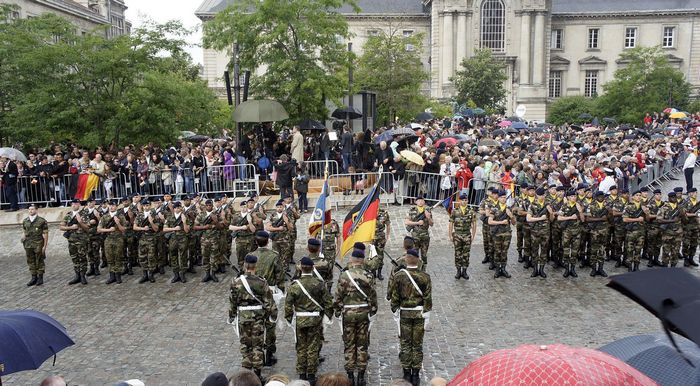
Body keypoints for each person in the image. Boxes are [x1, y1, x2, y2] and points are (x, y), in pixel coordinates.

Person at [285, 257, 333, 384]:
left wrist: (289, 319)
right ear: (313, 268)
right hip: (315, 319)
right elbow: (328, 302)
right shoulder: (319, 283)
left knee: (301, 347)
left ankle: (302, 373)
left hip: (300, 319)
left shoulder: (295, 285)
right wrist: (328, 316)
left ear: (300, 268)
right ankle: (311, 375)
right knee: (313, 347)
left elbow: (288, 304)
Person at [229, 255, 276, 381]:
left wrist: (231, 316)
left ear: (245, 265)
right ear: (255, 266)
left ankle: (245, 372)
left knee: (245, 344)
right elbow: (269, 302)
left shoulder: (236, 282)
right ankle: (257, 374)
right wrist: (273, 316)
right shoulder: (261, 282)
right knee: (257, 345)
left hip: (243, 318)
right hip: (258, 318)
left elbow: (233, 302)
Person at [333, 250, 377, 386]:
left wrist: (338, 310)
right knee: (362, 345)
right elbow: (373, 297)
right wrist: (372, 310)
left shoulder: (344, 276)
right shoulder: (368, 276)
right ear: (362, 260)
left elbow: (338, 297)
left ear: (352, 259)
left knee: (349, 344)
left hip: (348, 313)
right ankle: (361, 376)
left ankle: (350, 375)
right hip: (363, 313)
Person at [389, 249, 431, 386]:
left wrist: (395, 310)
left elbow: (394, 297)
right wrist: (426, 313)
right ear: (418, 260)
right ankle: (416, 375)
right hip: (419, 314)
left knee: (406, 344)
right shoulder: (425, 276)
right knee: (417, 345)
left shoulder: (399, 276)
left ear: (406, 259)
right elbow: (428, 299)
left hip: (405, 313)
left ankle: (406, 372)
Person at [251, 230, 284, 366]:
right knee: (270, 323)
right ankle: (269, 353)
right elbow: (279, 275)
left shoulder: (250, 256)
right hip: (270, 291)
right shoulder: (274, 256)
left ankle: (256, 352)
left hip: (254, 291)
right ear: (268, 241)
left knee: (256, 323)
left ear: (256, 242)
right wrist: (282, 290)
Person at [60, 199, 91, 285]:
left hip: (81, 240)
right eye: (72, 204)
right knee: (74, 257)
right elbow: (61, 226)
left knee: (82, 257)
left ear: (79, 205)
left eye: (76, 204)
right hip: (71, 240)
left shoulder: (84, 214)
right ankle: (77, 275)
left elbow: (87, 228)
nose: (74, 205)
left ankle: (82, 275)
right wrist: (70, 228)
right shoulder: (69, 214)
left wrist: (80, 222)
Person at [97, 199, 127, 284]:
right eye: (110, 205)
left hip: (118, 239)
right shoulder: (104, 217)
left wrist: (118, 223)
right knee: (109, 258)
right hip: (108, 240)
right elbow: (98, 229)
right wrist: (108, 230)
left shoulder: (121, 216)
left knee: (118, 257)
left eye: (113, 205)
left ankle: (118, 276)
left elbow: (124, 230)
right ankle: (111, 276)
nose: (111, 207)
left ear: (116, 207)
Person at [448, 193, 476, 279]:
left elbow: (474, 224)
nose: (464, 202)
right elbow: (451, 223)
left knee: (466, 254)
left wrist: (473, 236)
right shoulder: (455, 211)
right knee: (457, 253)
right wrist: (450, 235)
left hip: (467, 235)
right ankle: (458, 271)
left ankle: (464, 271)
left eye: (465, 200)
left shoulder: (471, 211)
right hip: (457, 235)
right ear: (459, 201)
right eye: (462, 200)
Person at [488, 190, 514, 279]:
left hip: (506, 233)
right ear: (498, 198)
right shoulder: (494, 208)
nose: (503, 199)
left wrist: (511, 216)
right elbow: (490, 221)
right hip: (497, 233)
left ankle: (503, 269)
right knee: (497, 251)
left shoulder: (509, 208)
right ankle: (497, 270)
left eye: (504, 197)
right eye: (502, 197)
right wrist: (501, 222)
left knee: (504, 252)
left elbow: (514, 223)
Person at [584, 191, 611, 277]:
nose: (601, 197)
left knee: (602, 250)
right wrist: (601, 219)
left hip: (604, 231)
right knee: (594, 250)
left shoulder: (607, 205)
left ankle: (601, 268)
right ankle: (593, 268)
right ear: (596, 197)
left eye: (602, 196)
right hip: (594, 231)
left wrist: (609, 213)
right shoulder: (591, 205)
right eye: (599, 196)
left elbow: (611, 216)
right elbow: (587, 219)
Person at [132, 199, 159, 283]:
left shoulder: (154, 215)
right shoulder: (139, 215)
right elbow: (134, 227)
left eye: (147, 205)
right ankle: (144, 275)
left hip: (151, 239)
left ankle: (150, 274)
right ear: (142, 207)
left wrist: (151, 222)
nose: (146, 207)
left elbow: (156, 229)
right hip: (142, 239)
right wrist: (143, 228)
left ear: (150, 206)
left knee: (151, 257)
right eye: (144, 206)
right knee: (142, 257)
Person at [22, 204, 48, 286]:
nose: (30, 211)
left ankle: (40, 277)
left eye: (32, 209)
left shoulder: (41, 221)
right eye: (29, 209)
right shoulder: (25, 220)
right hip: (28, 244)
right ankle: (33, 277)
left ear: (36, 210)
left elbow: (45, 234)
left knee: (39, 260)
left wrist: (44, 246)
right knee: (30, 260)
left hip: (38, 243)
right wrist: (23, 237)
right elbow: (24, 231)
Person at [194, 199, 221, 283]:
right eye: (207, 205)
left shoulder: (216, 214)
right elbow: (195, 227)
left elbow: (221, 226)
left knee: (214, 257)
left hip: (214, 239)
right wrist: (204, 227)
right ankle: (207, 274)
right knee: (205, 257)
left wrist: (216, 221)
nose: (209, 207)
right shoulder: (201, 215)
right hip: (204, 240)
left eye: (210, 205)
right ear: (205, 206)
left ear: (212, 206)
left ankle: (213, 273)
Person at [404, 195, 433, 270]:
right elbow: (406, 222)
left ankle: (423, 270)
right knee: (414, 254)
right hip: (415, 236)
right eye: (418, 200)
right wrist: (417, 223)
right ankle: (415, 269)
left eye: (421, 200)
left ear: (424, 201)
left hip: (425, 236)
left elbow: (432, 224)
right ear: (416, 202)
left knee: (424, 255)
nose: (420, 201)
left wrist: (429, 218)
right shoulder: (412, 210)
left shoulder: (428, 210)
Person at [163, 201, 190, 283]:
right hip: (173, 239)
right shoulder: (169, 217)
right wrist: (174, 229)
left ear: (181, 208)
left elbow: (187, 230)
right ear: (173, 209)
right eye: (175, 208)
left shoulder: (185, 216)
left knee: (183, 256)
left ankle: (182, 274)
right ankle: (176, 274)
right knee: (173, 256)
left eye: (179, 207)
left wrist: (184, 222)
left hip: (182, 239)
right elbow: (164, 229)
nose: (177, 209)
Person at [558, 191, 582, 278]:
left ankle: (572, 268)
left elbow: (583, 220)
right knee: (566, 250)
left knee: (575, 251)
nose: (574, 198)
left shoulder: (579, 206)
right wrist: (570, 217)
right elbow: (559, 217)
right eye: (572, 196)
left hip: (577, 232)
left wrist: (581, 211)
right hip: (567, 232)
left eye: (575, 196)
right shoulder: (564, 206)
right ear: (568, 197)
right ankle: (567, 268)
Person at [527, 188, 550, 278]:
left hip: (545, 231)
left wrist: (550, 211)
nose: (541, 197)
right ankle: (535, 269)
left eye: (543, 195)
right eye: (540, 195)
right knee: (534, 250)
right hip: (535, 231)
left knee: (544, 250)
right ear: (537, 195)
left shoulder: (548, 204)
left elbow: (551, 219)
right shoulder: (532, 205)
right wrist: (540, 218)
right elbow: (528, 219)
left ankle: (542, 269)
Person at [657, 192, 685, 267]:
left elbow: (685, 219)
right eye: (672, 197)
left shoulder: (680, 207)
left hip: (678, 233)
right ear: (668, 198)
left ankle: (673, 266)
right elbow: (659, 220)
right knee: (666, 251)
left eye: (675, 197)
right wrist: (672, 221)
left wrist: (682, 213)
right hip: (667, 233)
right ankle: (665, 265)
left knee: (675, 252)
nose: (674, 198)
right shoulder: (664, 207)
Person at [622, 190, 647, 272]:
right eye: (637, 195)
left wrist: (647, 212)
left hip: (641, 232)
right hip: (631, 232)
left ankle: (636, 266)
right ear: (632, 197)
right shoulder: (628, 206)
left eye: (640, 195)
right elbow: (625, 219)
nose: (639, 196)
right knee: (629, 250)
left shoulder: (643, 206)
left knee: (638, 250)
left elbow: (647, 219)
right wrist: (637, 219)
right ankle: (629, 267)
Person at [266, 199, 293, 267]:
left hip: (285, 239)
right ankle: (277, 271)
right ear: (276, 208)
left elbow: (291, 228)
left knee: (285, 256)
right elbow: (268, 228)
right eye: (278, 207)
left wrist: (287, 221)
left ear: (283, 207)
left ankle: (285, 270)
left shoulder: (287, 214)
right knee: (275, 256)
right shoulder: (272, 215)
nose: (279, 208)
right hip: (275, 239)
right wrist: (278, 228)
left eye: (281, 207)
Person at [231, 200, 257, 268]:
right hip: (239, 240)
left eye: (245, 207)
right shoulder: (236, 216)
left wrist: (250, 221)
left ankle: (249, 273)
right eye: (242, 207)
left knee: (249, 257)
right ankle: (241, 272)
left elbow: (253, 230)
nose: (243, 208)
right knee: (240, 257)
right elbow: (230, 227)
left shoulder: (251, 216)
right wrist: (241, 227)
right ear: (240, 207)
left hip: (249, 239)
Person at [367, 206, 390, 280]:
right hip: (371, 238)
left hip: (381, 237)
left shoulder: (384, 213)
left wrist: (387, 235)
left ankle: (379, 273)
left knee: (380, 256)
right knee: (372, 255)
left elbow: (388, 225)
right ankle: (373, 272)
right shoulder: (369, 212)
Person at [681, 187, 700, 267]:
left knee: (694, 243)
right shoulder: (686, 203)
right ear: (690, 194)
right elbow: (684, 214)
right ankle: (686, 259)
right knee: (686, 243)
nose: (695, 194)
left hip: (696, 226)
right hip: (687, 226)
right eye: (693, 193)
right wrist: (694, 214)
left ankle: (691, 258)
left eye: (696, 192)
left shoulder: (698, 202)